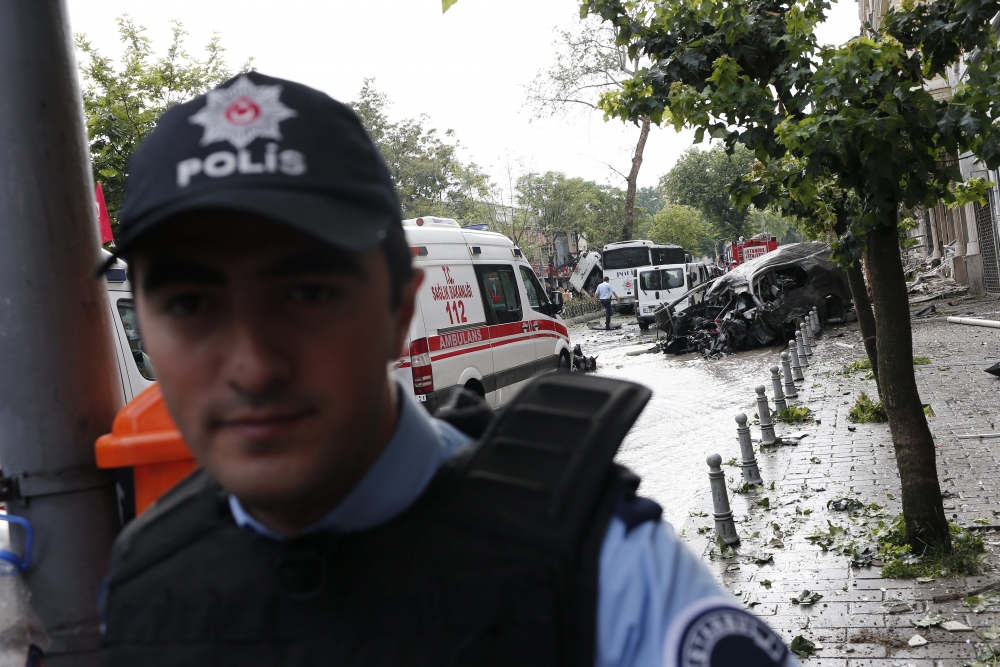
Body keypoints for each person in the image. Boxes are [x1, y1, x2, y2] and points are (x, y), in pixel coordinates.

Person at [96, 72, 798, 667]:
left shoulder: (600, 571)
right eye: (190, 303)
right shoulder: (142, 584)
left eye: (307, 292)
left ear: (401, 305)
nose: (251, 365)